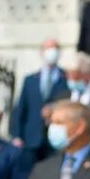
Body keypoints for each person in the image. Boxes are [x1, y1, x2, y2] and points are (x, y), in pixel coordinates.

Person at [11, 39, 70, 167]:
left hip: (54, 139)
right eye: (48, 49)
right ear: (42, 52)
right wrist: (17, 135)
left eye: (54, 48)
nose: (51, 52)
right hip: (31, 138)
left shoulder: (66, 78)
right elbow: (21, 109)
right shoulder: (30, 80)